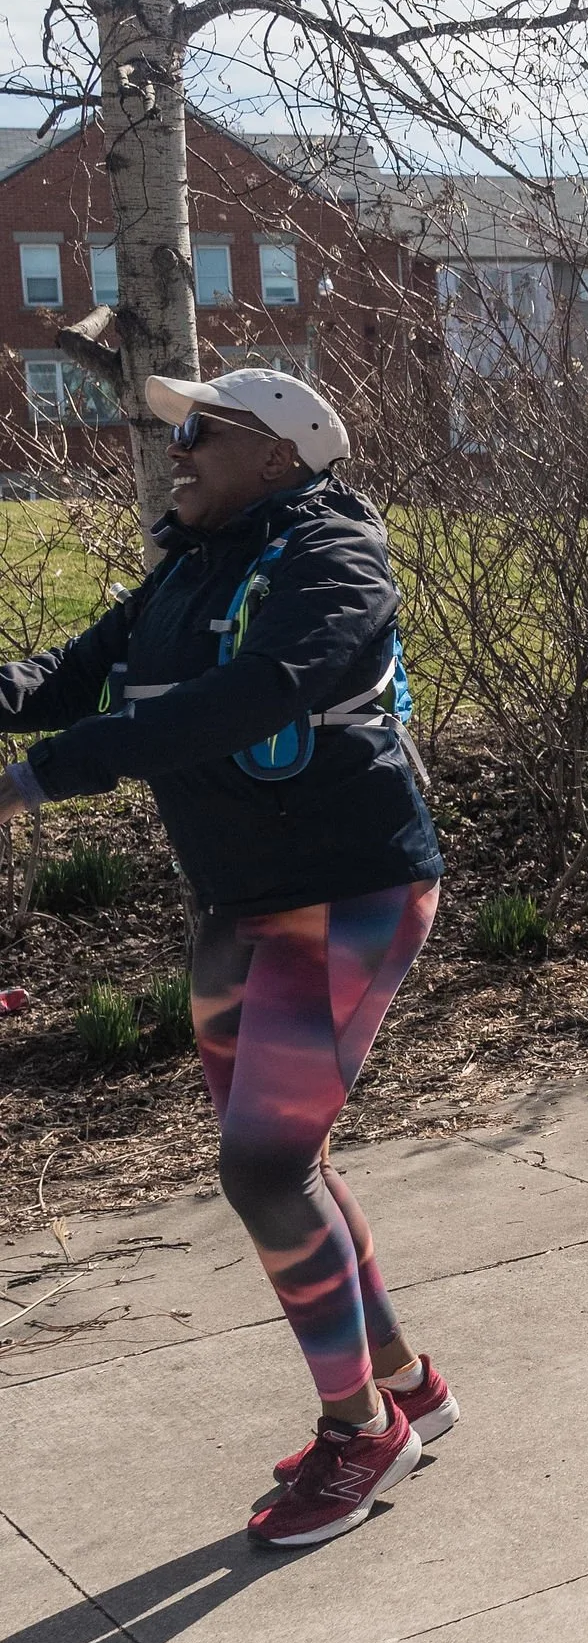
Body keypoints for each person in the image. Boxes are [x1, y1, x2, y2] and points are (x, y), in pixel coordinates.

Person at [0, 370, 448, 1546]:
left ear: (281, 454)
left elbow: (258, 695)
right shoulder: (191, 567)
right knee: (282, 1161)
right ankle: (404, 1385)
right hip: (242, 897)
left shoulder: (333, 556)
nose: (177, 449)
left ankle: (364, 1435)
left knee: (264, 1167)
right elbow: (67, 673)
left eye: (202, 430)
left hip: (348, 893)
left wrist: (52, 774)